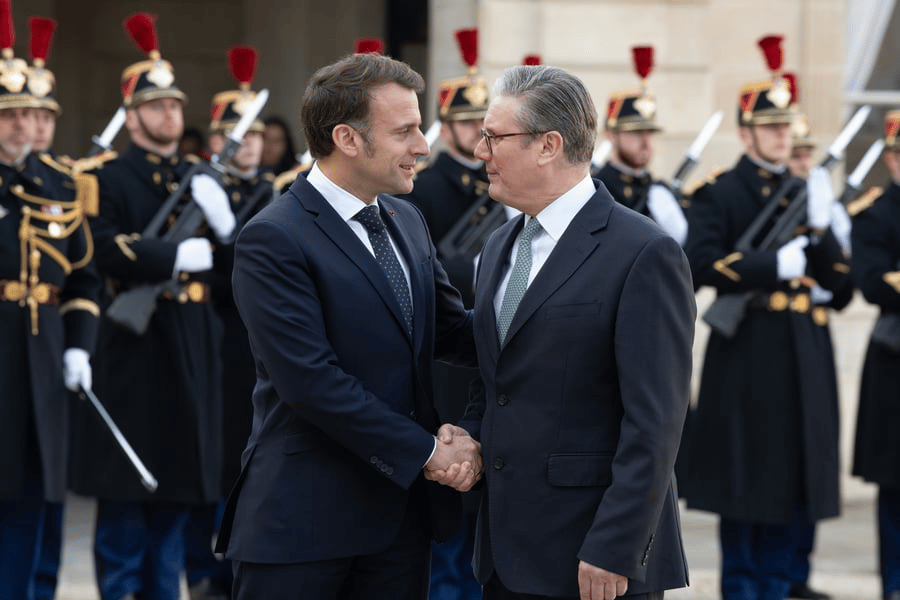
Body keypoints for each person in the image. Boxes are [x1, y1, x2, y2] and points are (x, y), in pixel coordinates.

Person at [215, 51, 481, 600]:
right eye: (405, 131)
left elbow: (453, 331)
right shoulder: (275, 237)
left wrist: (555, 321)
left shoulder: (405, 219)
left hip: (398, 524)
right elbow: (311, 382)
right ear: (348, 138)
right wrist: (429, 452)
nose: (423, 146)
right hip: (303, 527)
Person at [436, 63, 696, 600]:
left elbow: (656, 423)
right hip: (506, 555)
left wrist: (614, 545)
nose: (481, 151)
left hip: (595, 561)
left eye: (494, 137)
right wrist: (470, 435)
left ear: (548, 145)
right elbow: (498, 379)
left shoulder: (642, 252)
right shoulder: (501, 248)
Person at [67, 13, 233, 600]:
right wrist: (171, 257)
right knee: (126, 500)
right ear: (131, 115)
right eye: (155, 106)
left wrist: (226, 227)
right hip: (134, 345)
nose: (169, 115)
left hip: (191, 338)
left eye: (173, 105)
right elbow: (99, 246)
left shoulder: (198, 176)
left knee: (177, 496)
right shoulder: (105, 178)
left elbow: (238, 266)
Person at [681, 36, 851, 600]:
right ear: (747, 132)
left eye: (787, 127)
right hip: (749, 350)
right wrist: (766, 265)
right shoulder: (720, 193)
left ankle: (780, 588)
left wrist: (825, 230)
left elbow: (841, 286)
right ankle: (744, 589)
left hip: (802, 348)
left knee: (793, 480)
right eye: (771, 127)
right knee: (745, 484)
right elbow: (699, 262)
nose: (783, 136)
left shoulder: (807, 191)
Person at [0, 6, 102, 597]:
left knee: (32, 496)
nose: (23, 126)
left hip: (42, 356)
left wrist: (80, 347)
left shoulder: (60, 185)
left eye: (34, 114)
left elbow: (84, 276)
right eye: (12, 114)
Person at [397, 27, 493, 600]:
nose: (475, 133)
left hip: (478, 363)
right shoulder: (423, 191)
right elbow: (423, 286)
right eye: (466, 122)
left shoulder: (503, 187)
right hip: (445, 371)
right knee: (446, 522)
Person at [184, 45, 273, 600]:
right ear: (217, 140)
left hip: (257, 340)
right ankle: (204, 570)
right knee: (210, 456)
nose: (251, 145)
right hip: (209, 332)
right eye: (241, 136)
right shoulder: (197, 188)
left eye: (259, 136)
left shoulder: (277, 192)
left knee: (250, 450)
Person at [850, 108, 900, 600]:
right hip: (895, 359)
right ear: (891, 158)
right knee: (896, 485)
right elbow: (872, 281)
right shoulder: (876, 212)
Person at [593, 45, 687, 245]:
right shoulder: (595, 189)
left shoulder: (659, 190)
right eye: (635, 132)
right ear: (610, 135)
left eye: (650, 133)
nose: (646, 142)